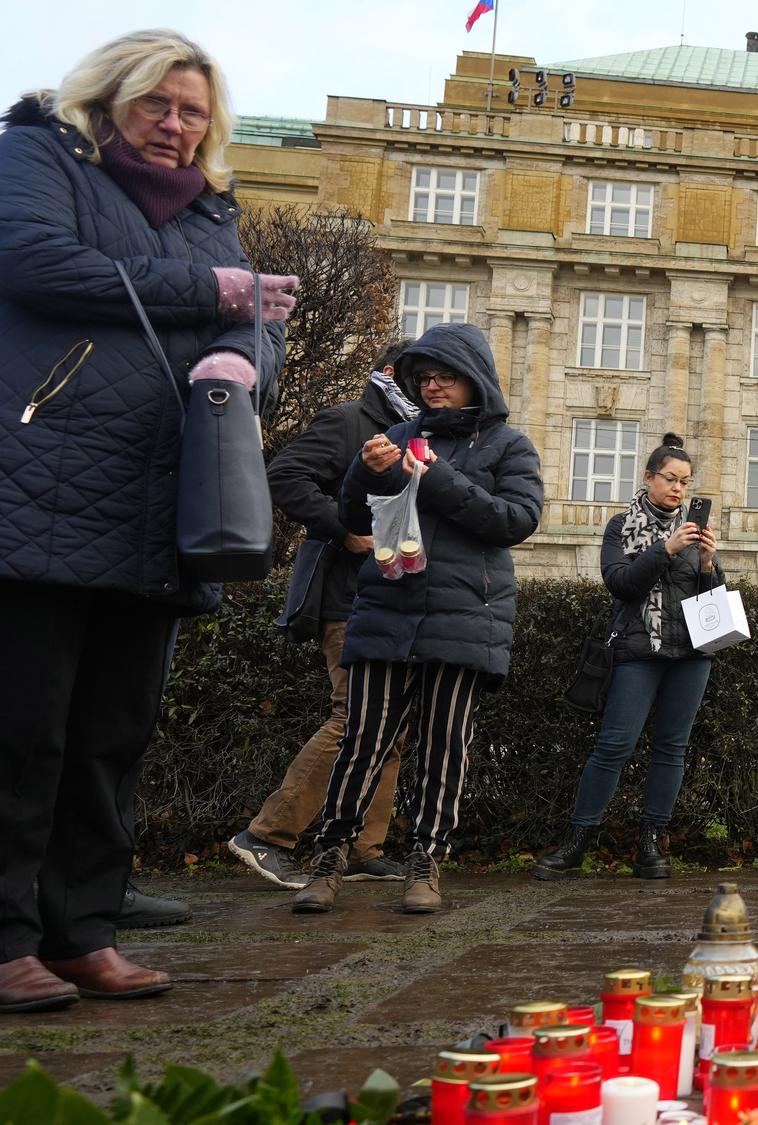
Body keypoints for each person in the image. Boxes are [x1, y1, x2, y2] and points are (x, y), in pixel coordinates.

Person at [0, 30, 293, 1011]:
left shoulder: (212, 210)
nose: (175, 127)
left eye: (194, 112)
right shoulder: (40, 156)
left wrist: (243, 355)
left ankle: (82, 931)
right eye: (157, 105)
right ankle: (6, 940)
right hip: (36, 487)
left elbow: (254, 318)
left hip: (157, 501)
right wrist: (213, 294)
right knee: (22, 732)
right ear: (109, 98)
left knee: (110, 737)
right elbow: (35, 262)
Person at [291, 321, 543, 916]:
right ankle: (331, 857)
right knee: (363, 740)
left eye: (445, 376)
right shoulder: (395, 434)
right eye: (424, 377)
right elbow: (355, 513)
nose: (432, 386)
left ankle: (425, 863)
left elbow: (515, 521)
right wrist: (366, 472)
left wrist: (433, 479)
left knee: (443, 745)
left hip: (463, 615)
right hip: (385, 606)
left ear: (474, 379)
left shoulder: (510, 446)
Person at [227, 342, 419, 889]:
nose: (433, 384)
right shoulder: (349, 421)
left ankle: (363, 848)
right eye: (420, 374)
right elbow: (284, 475)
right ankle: (266, 835)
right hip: (345, 595)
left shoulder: (417, 434)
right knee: (356, 717)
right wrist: (346, 530)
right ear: (389, 374)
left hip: (392, 596)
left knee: (391, 725)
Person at [533, 434, 722, 881]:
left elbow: (713, 600)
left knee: (671, 749)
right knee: (614, 745)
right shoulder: (622, 526)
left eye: (686, 482)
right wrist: (666, 549)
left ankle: (651, 845)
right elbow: (620, 583)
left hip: (691, 654)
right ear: (649, 477)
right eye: (670, 479)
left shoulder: (694, 535)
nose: (678, 489)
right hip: (639, 651)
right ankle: (576, 842)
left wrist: (710, 564)